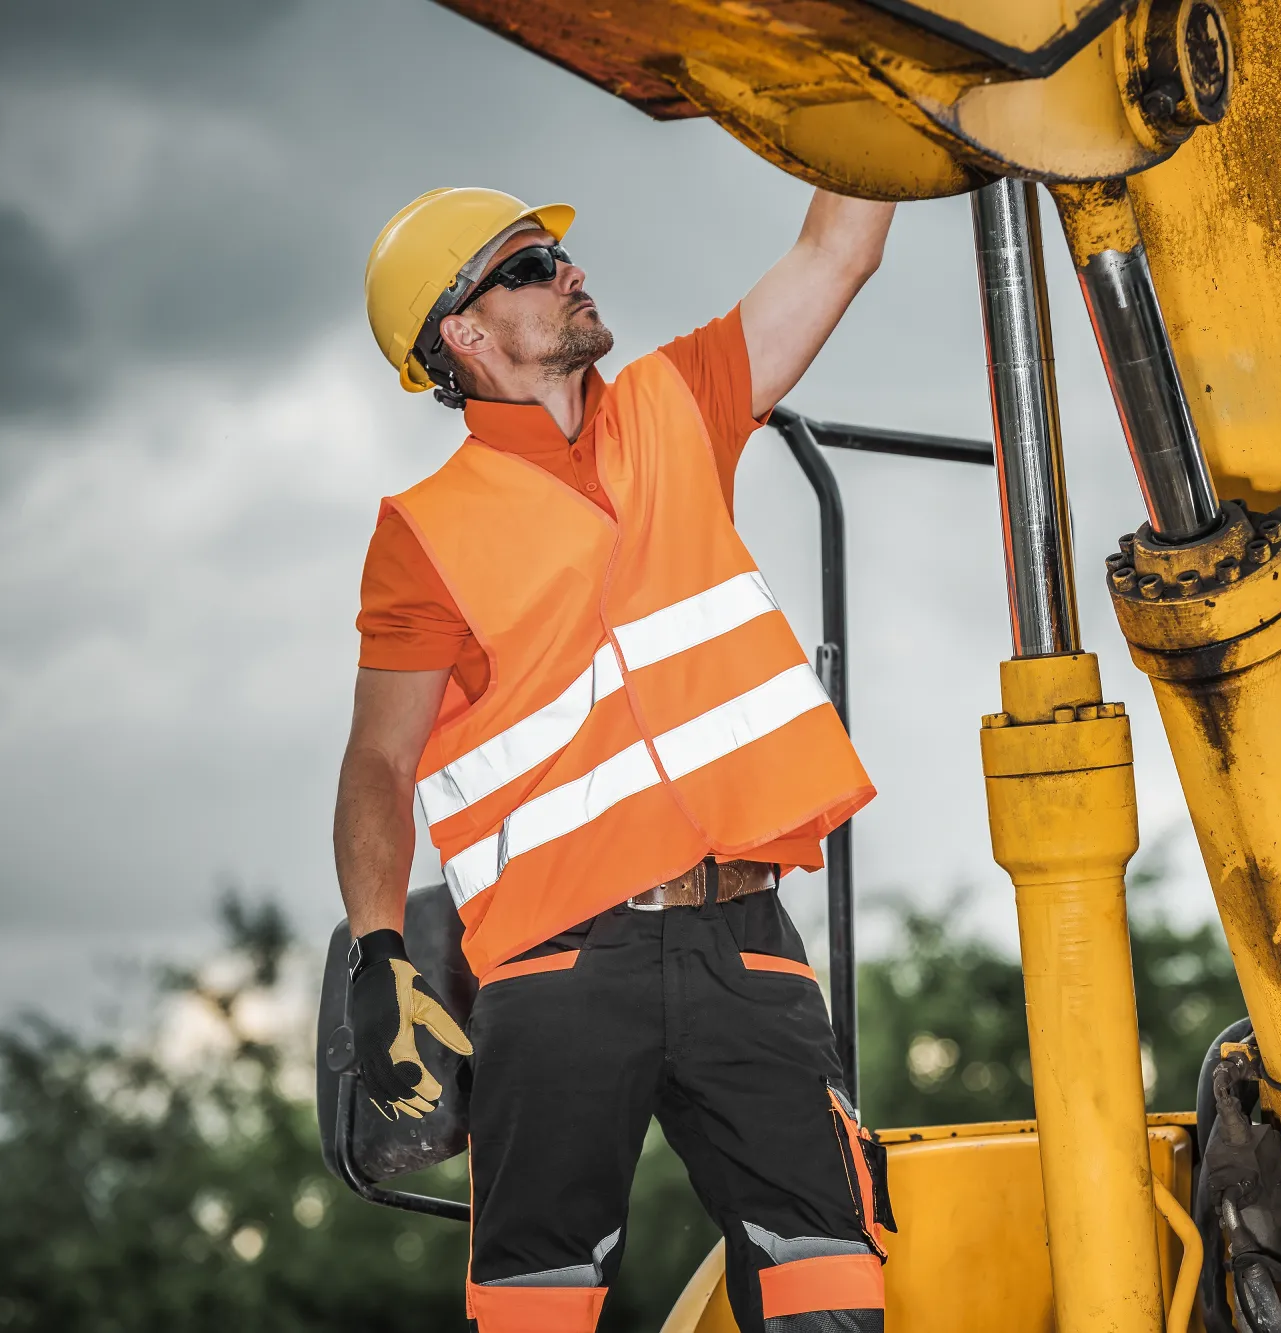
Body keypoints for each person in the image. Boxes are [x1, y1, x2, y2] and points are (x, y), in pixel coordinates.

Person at [340, 185, 896, 1333]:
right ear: (466, 333)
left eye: (559, 254)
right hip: (557, 969)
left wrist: (877, 76)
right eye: (531, 266)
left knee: (829, 1273)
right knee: (539, 1303)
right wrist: (379, 951)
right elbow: (376, 768)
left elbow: (838, 247)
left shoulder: (677, 403)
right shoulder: (425, 530)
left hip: (743, 940)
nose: (569, 270)